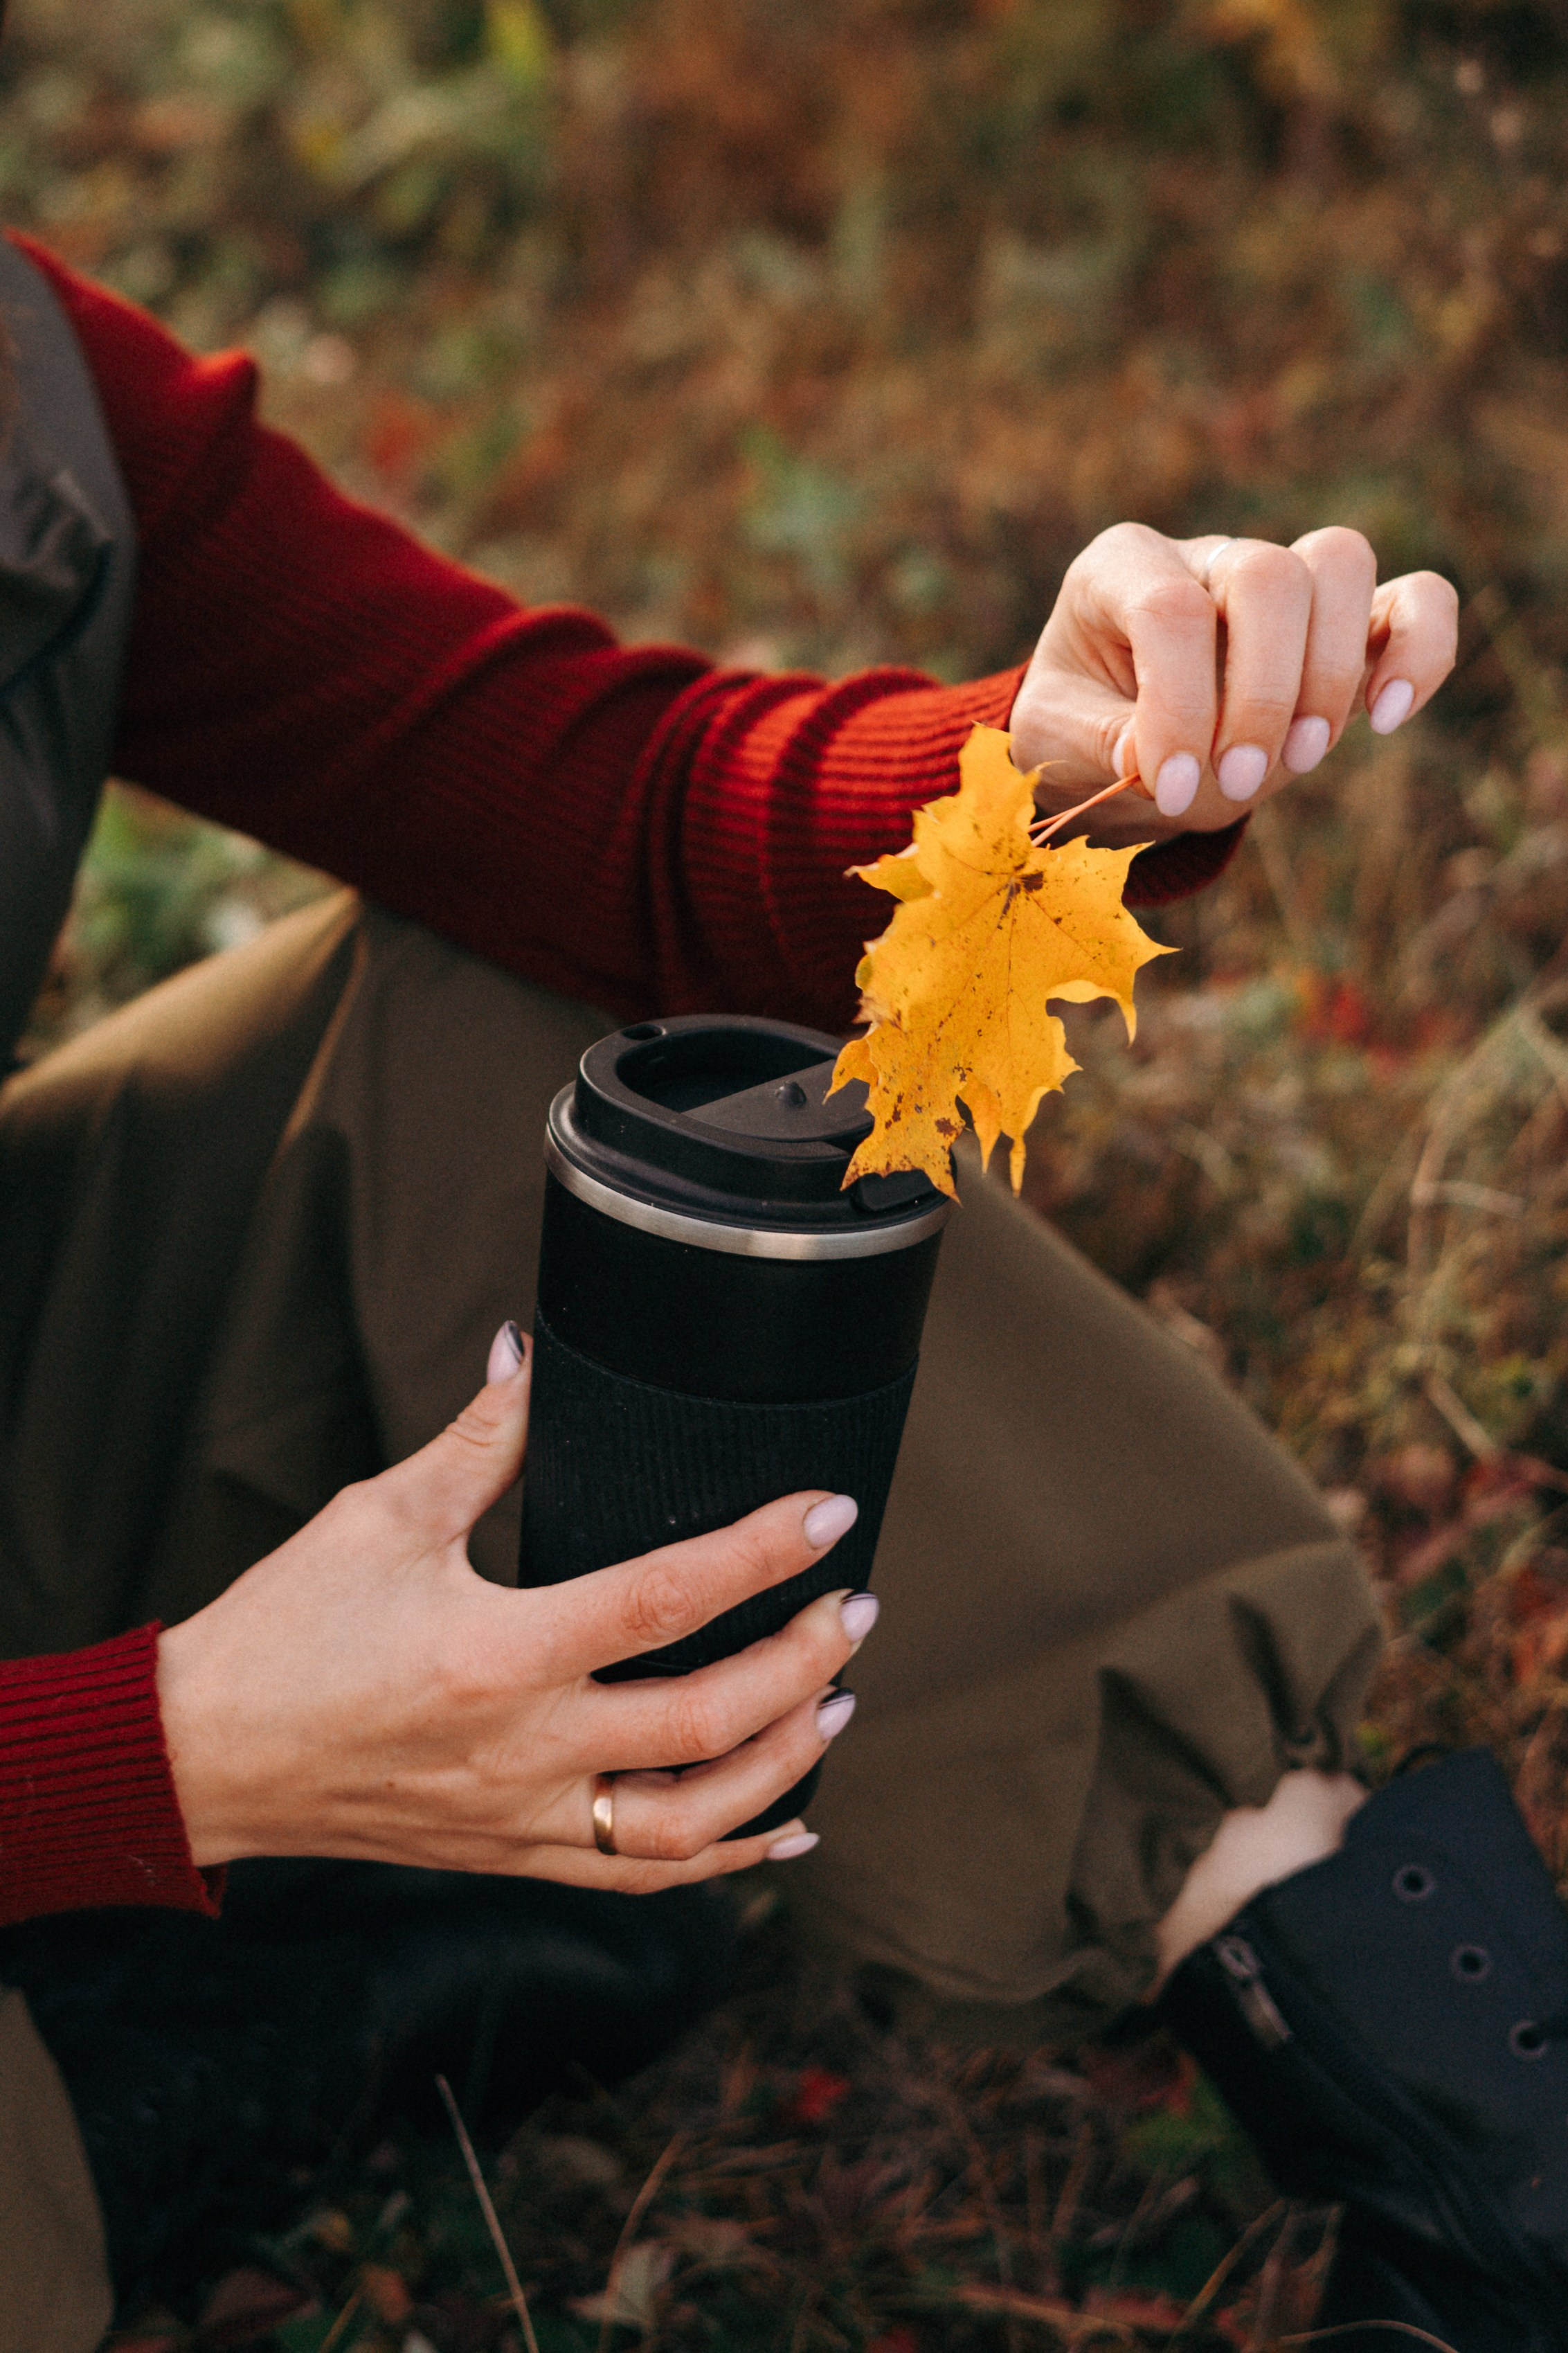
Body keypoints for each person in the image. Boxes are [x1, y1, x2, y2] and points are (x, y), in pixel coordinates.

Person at [0, 202, 1553, 2353]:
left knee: (529, 1027)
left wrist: (1035, 769)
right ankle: (138, 2062)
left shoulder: (25, 401)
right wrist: (142, 1764)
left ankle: (1485, 2140)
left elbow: (616, 822)